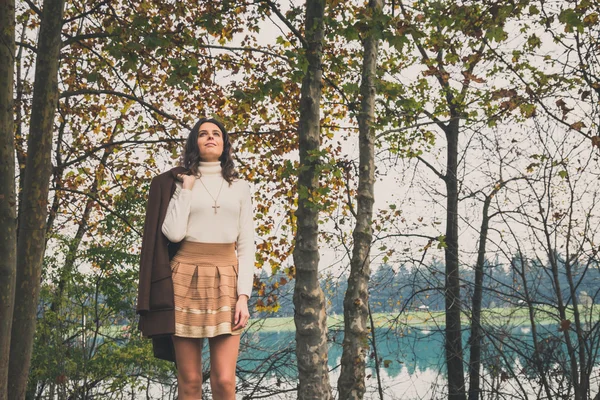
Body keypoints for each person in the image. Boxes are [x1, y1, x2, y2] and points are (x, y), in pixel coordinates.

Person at [136, 117, 254, 400]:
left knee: (224, 381)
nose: (210, 137)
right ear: (195, 143)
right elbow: (173, 234)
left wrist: (243, 296)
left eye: (216, 134)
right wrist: (186, 190)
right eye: (203, 134)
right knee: (189, 381)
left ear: (225, 145)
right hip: (184, 278)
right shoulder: (179, 183)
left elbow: (247, 245)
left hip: (227, 279)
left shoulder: (240, 187)